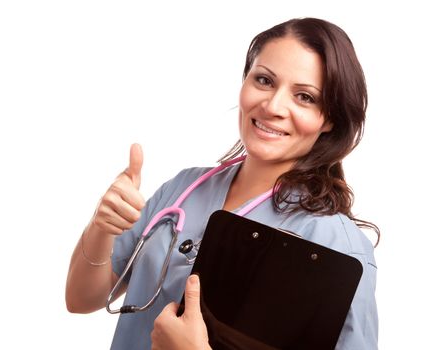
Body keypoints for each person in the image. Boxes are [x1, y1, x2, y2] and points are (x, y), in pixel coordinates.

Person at [66, 17, 379, 350]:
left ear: (329, 118)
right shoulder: (183, 188)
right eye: (264, 80)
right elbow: (81, 298)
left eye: (304, 97)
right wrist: (102, 226)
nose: (273, 106)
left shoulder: (337, 245)